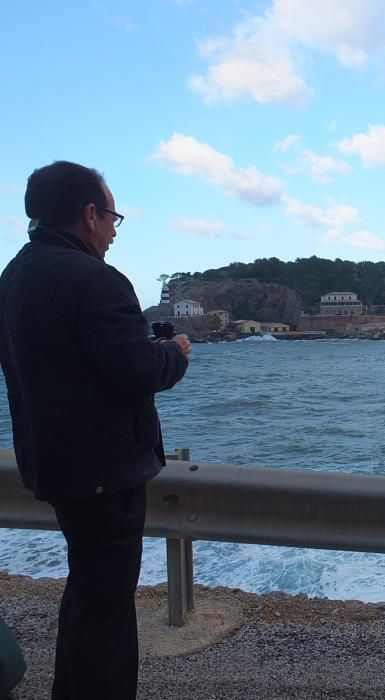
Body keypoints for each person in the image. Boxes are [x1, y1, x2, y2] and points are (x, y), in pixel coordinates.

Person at [0, 161, 191, 699]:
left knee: (88, 597)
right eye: (112, 218)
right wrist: (173, 355)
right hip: (105, 474)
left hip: (53, 465)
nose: (112, 231)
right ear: (89, 215)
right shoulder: (97, 279)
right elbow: (136, 372)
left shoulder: (13, 277)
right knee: (105, 613)